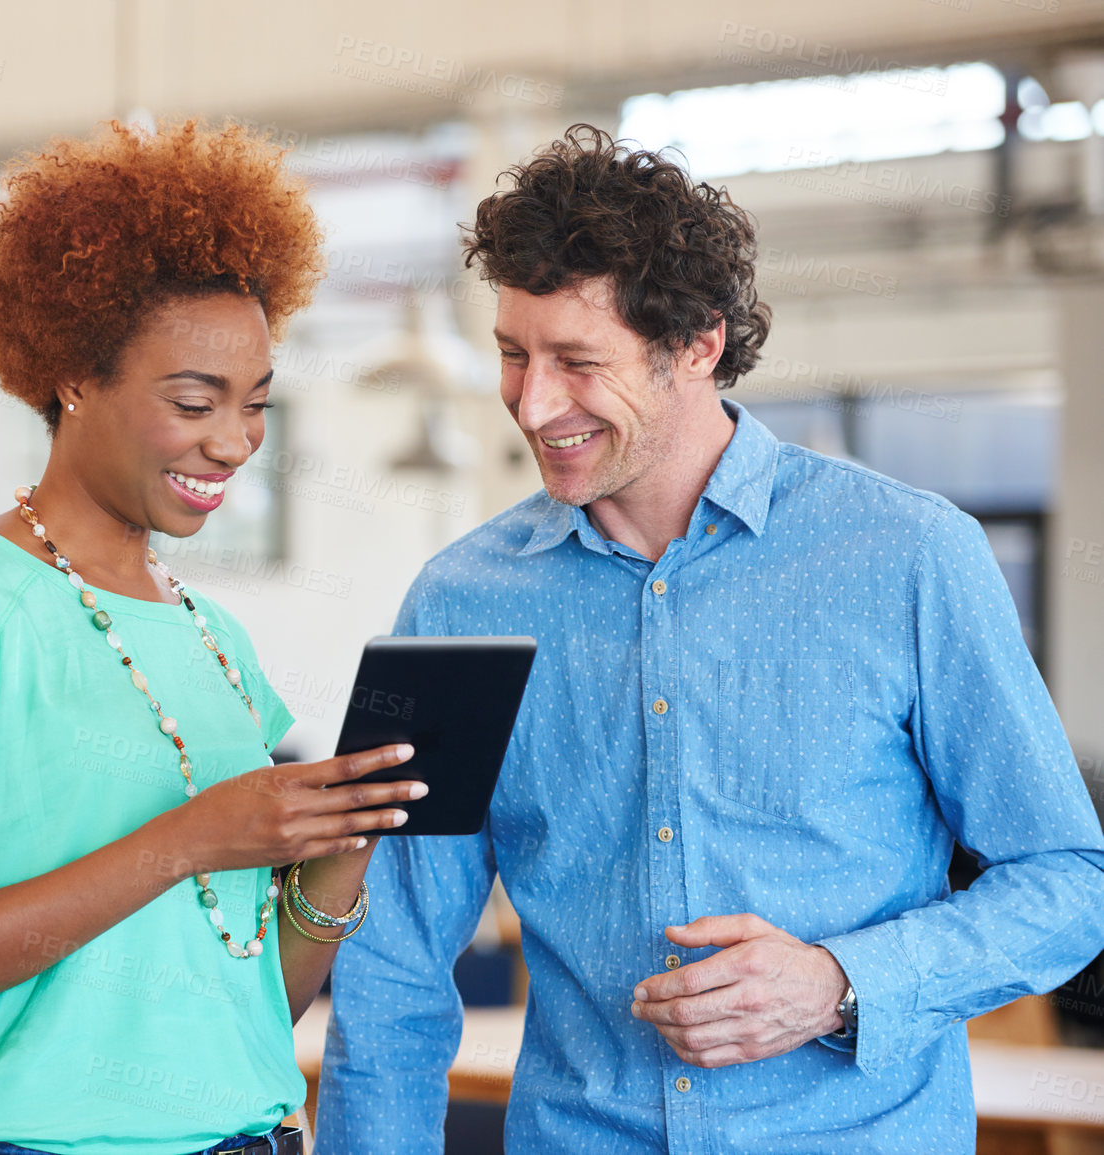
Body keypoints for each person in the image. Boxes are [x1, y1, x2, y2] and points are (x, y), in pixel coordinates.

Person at [316, 125, 1104, 1153]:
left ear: (697, 346)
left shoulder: (910, 557)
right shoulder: (456, 600)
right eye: (514, 355)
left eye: (577, 361)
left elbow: (1065, 881)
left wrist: (839, 984)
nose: (533, 402)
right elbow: (396, 954)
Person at [0, 119, 420, 1155]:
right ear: (72, 376)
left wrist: (342, 845)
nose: (233, 442)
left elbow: (247, 1001)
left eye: (257, 405)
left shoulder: (216, 641)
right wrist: (188, 839)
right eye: (194, 401)